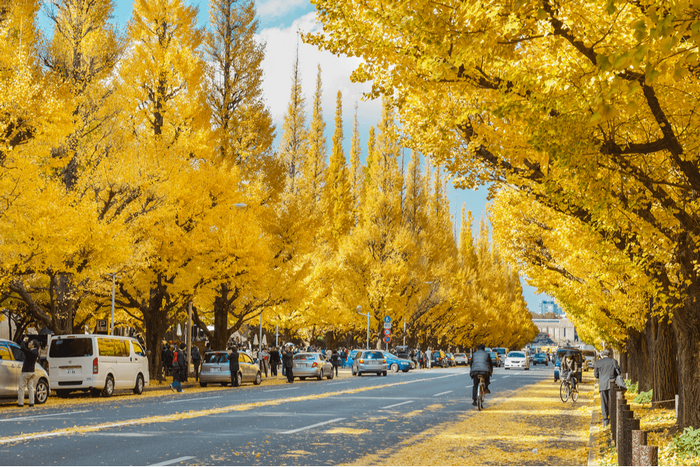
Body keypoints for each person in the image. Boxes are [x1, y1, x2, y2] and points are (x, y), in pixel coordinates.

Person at [594, 349, 621, 427]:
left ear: (602, 355)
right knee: (612, 402)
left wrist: (602, 377)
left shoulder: (598, 362)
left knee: (604, 402)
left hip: (602, 385)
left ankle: (605, 420)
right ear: (609, 355)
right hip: (612, 385)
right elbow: (618, 372)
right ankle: (613, 419)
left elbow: (595, 375)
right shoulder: (613, 361)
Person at [18, 338, 39, 407]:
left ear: (33, 345)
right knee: (30, 387)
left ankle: (21, 403)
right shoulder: (35, 352)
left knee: (21, 387)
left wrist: (24, 340)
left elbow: (22, 348)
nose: (29, 343)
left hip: (26, 372)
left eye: (31, 343)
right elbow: (25, 348)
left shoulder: (30, 352)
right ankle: (31, 402)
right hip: (32, 371)